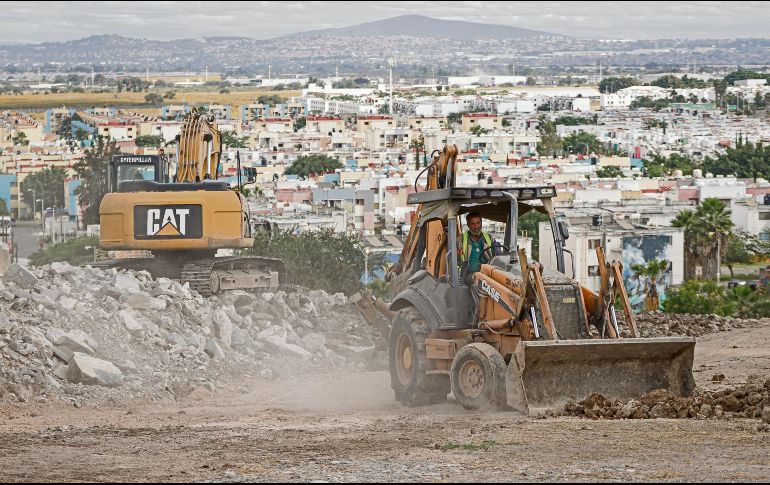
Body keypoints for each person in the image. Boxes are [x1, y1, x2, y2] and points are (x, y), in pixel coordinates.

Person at [459, 212, 496, 279]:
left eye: (478, 223)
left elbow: (497, 255)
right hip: (469, 275)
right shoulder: (461, 239)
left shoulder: (489, 238)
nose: (476, 226)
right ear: (468, 225)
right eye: (472, 224)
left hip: (488, 273)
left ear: (481, 223)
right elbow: (456, 261)